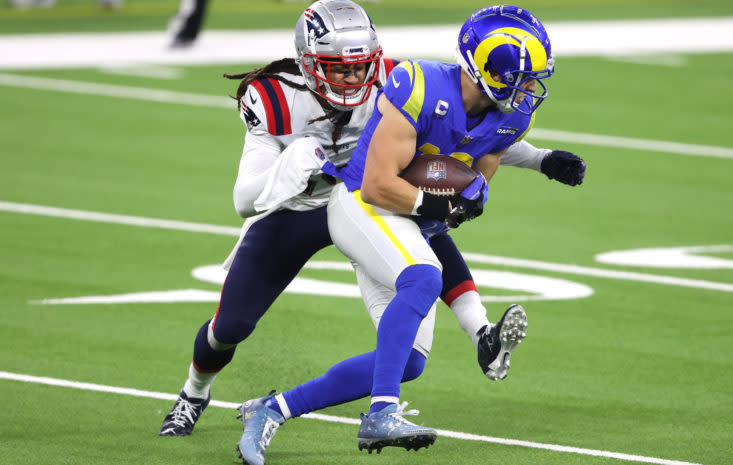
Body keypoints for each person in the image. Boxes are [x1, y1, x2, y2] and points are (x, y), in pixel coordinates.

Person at [158, 0, 585, 442]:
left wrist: (539, 159)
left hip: (374, 199)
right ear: (309, 62)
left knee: (423, 282)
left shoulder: (397, 79)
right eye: (338, 69)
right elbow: (245, 198)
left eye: (360, 67)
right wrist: (293, 165)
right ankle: (194, 392)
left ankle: (478, 334)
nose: (352, 78)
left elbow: (467, 134)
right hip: (301, 208)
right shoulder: (276, 99)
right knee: (230, 327)